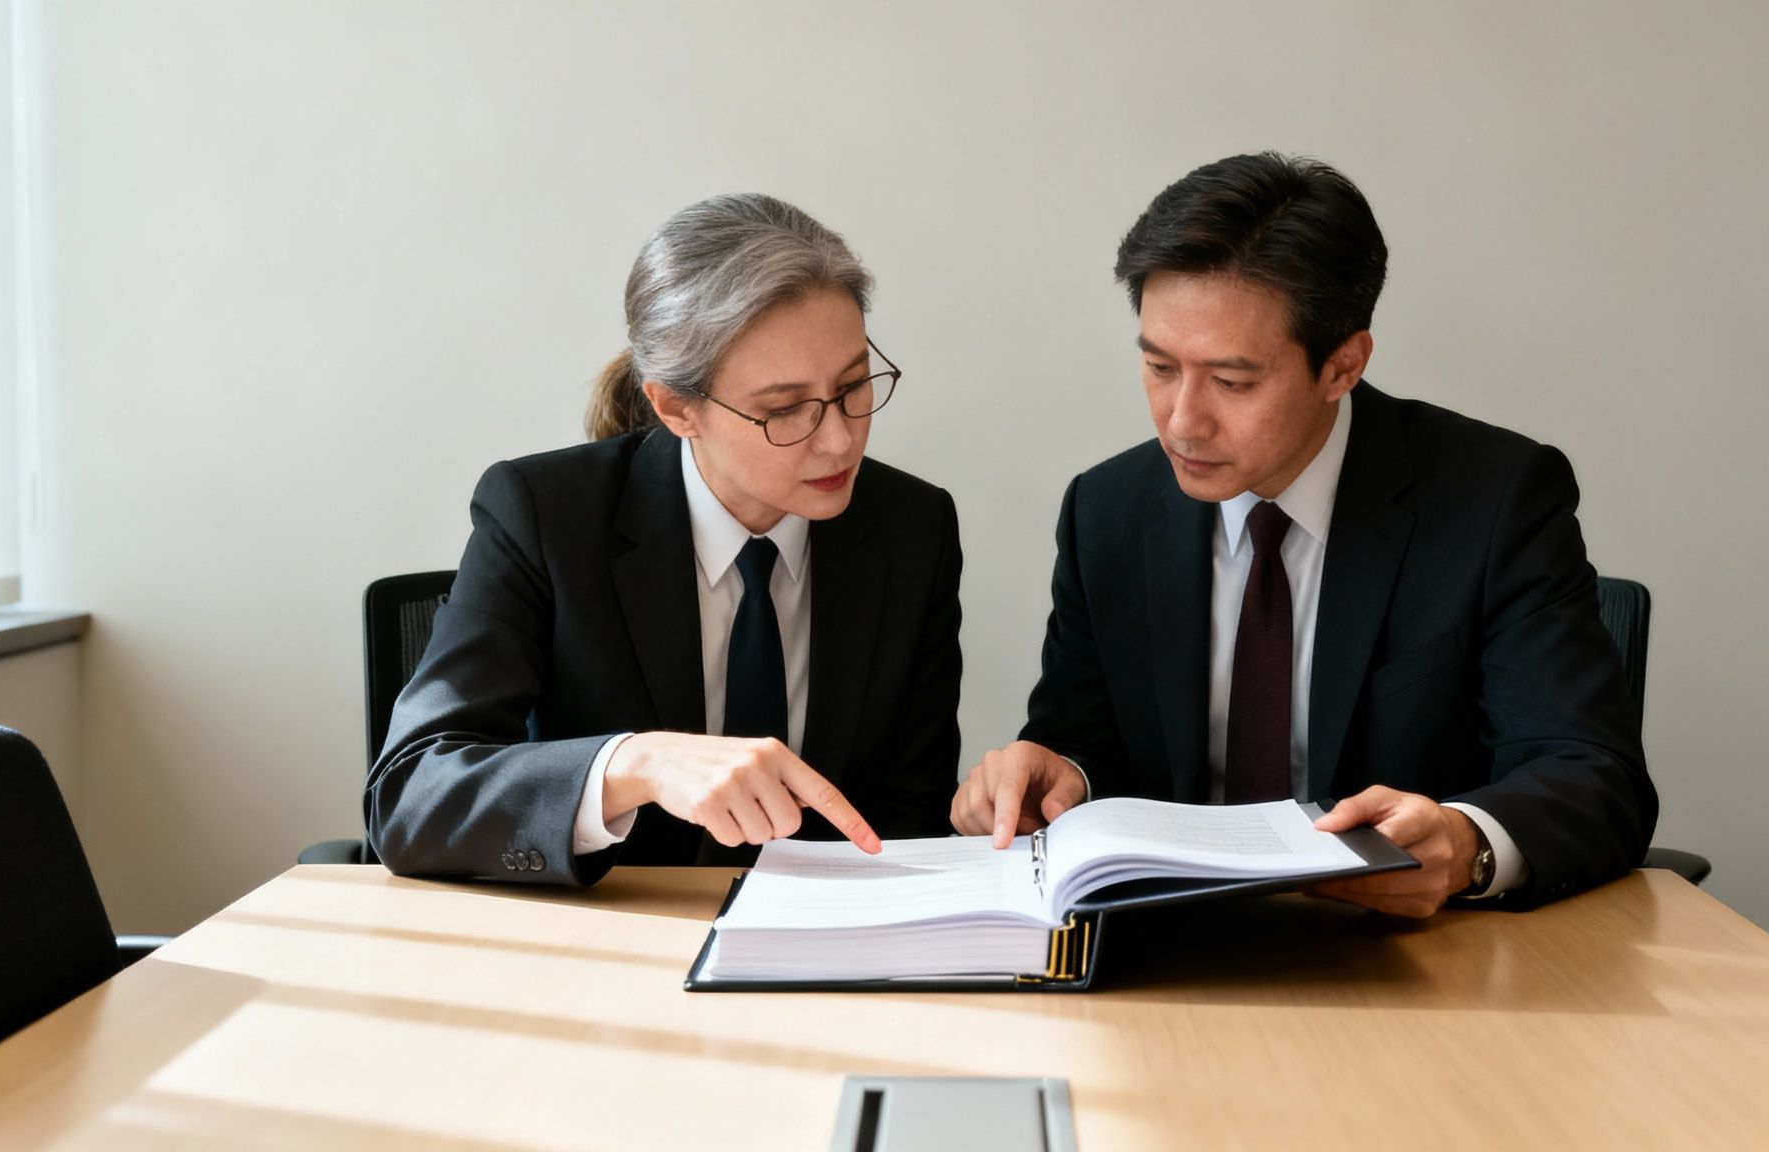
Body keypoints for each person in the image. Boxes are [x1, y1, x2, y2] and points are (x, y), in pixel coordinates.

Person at [953, 154, 1655, 914]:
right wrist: (1058, 776)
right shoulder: (1108, 511)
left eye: (1232, 382)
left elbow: (1591, 772)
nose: (1182, 422)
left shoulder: (1495, 501)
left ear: (1343, 365)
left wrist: (1465, 843)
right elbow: (1087, 745)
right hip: (1169, 959)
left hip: (1411, 959)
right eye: (1159, 367)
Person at [369, 194, 962, 884]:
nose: (839, 440)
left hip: (822, 948)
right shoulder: (543, 515)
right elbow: (409, 795)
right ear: (677, 407)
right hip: (600, 952)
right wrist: (633, 763)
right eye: (784, 409)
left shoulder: (912, 528)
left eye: (855, 386)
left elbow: (910, 809)